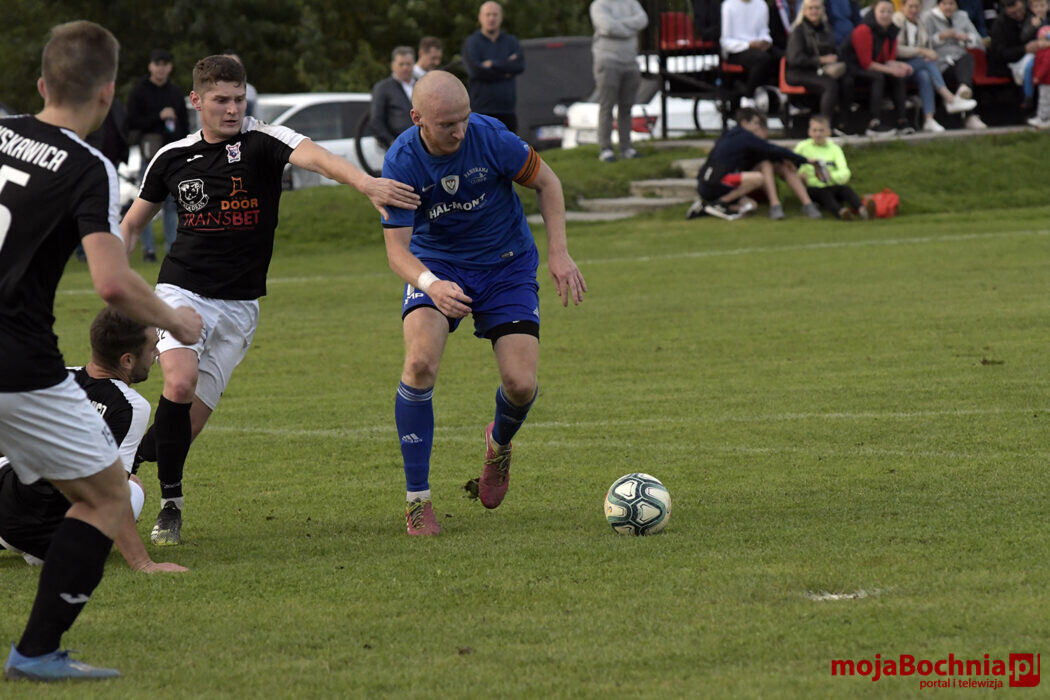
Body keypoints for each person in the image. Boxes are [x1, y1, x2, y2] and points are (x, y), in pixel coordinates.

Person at [122, 55, 419, 547]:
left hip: (240, 307)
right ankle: (170, 505)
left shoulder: (263, 140)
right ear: (196, 100)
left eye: (239, 99)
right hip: (181, 290)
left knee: (183, 428)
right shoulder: (173, 156)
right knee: (179, 381)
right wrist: (116, 276)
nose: (232, 109)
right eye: (221, 100)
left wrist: (366, 184)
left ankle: (125, 460)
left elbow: (317, 157)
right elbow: (133, 224)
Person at [0, 21, 202, 682]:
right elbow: (112, 282)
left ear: (42, 84)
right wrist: (175, 320)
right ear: (110, 92)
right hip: (17, 359)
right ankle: (36, 653)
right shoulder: (87, 166)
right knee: (109, 496)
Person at [379, 71, 587, 535]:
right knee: (419, 364)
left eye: (464, 119)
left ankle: (500, 443)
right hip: (437, 266)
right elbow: (397, 252)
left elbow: (548, 183)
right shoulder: (402, 162)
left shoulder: (491, 137)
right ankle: (417, 501)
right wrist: (432, 284)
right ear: (417, 119)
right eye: (446, 124)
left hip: (506, 264)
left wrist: (558, 252)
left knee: (520, 384)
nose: (459, 132)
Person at [0, 307, 186, 575]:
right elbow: (110, 491)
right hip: (47, 540)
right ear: (127, 361)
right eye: (152, 348)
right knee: (132, 485)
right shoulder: (130, 406)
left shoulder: (57, 377)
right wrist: (144, 564)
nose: (156, 353)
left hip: (7, 508)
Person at [685, 107, 825, 221]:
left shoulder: (731, 135)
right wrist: (805, 160)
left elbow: (767, 151)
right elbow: (772, 148)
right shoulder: (744, 136)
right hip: (717, 182)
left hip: (708, 183)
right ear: (745, 123)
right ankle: (719, 204)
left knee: (751, 206)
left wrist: (784, 159)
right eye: (756, 123)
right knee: (758, 178)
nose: (758, 127)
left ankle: (706, 209)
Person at [127, 48, 188, 262]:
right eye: (157, 64)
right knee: (146, 202)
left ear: (170, 67)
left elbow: (184, 124)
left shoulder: (175, 92)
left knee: (172, 202)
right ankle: (149, 250)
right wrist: (158, 117)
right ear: (150, 66)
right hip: (149, 154)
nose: (161, 68)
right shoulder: (139, 90)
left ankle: (172, 247)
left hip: (173, 155)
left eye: (165, 64)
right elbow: (132, 122)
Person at [895, 0, 979, 131]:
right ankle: (950, 99)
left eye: (917, 7)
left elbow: (926, 44)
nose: (914, 10)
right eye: (910, 6)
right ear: (903, 7)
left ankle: (929, 119)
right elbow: (897, 50)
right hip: (899, 63)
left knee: (925, 76)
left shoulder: (920, 22)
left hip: (916, 65)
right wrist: (923, 51)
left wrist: (929, 52)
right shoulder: (898, 21)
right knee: (927, 62)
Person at [840, 0, 916, 136]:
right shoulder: (863, 29)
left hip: (874, 67)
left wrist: (901, 66)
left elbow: (888, 60)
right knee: (879, 77)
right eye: (882, 11)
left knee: (897, 77)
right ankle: (874, 123)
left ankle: (902, 121)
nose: (885, 15)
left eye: (889, 12)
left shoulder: (891, 30)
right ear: (874, 12)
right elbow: (866, 63)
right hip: (852, 68)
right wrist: (892, 70)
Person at [589, 0, 649, 163]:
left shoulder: (631, 2)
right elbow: (608, 26)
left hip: (630, 60)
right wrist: (630, 27)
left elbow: (643, 20)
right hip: (608, 61)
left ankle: (626, 148)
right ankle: (606, 149)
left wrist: (619, 24)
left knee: (627, 107)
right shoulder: (599, 5)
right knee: (607, 106)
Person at [785, 0, 854, 130]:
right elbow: (795, 59)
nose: (814, 11)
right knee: (829, 85)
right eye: (810, 8)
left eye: (817, 8)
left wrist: (836, 57)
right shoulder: (798, 31)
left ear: (822, 10)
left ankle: (844, 123)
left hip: (822, 70)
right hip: (799, 72)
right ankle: (824, 126)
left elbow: (832, 49)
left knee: (847, 80)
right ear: (804, 11)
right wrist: (820, 60)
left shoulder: (826, 28)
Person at [792, 115, 874, 219]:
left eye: (821, 130)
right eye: (815, 130)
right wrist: (800, 175)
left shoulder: (835, 149)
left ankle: (863, 210)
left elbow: (845, 172)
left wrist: (831, 176)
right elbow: (791, 163)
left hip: (832, 184)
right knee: (824, 193)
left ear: (829, 132)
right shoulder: (802, 147)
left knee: (846, 190)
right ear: (809, 132)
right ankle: (841, 213)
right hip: (813, 188)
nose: (818, 134)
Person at [923, 0, 989, 128]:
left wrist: (966, 37)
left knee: (967, 59)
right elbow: (923, 43)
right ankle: (969, 116)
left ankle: (963, 91)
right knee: (965, 74)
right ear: (938, 4)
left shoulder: (962, 16)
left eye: (951, 4)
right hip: (939, 66)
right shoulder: (929, 17)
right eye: (944, 4)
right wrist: (940, 37)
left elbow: (979, 42)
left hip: (960, 63)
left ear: (957, 5)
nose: (948, 7)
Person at [462, 1, 525, 133]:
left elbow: (519, 66)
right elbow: (475, 71)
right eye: (488, 15)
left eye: (495, 15)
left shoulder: (511, 41)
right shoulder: (472, 42)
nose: (491, 18)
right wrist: (506, 69)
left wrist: (492, 64)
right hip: (481, 112)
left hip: (507, 112)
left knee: (509, 146)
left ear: (501, 18)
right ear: (480, 18)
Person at [720, 0, 783, 108]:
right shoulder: (728, 5)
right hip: (736, 50)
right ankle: (748, 97)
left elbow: (764, 31)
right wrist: (748, 44)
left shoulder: (761, 4)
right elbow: (726, 41)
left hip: (758, 48)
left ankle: (784, 97)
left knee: (782, 56)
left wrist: (765, 41)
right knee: (762, 58)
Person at [988, 0, 1050, 111]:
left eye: (1021, 10)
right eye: (1013, 13)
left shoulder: (1033, 16)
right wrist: (1024, 49)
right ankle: (1030, 102)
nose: (1018, 14)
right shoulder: (999, 24)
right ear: (1005, 10)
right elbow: (1000, 55)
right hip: (1011, 63)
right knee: (1033, 68)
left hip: (1039, 55)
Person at [370, 46, 417, 150]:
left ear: (414, 64)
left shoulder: (421, 85)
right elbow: (376, 121)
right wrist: (392, 142)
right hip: (398, 147)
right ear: (393, 66)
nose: (405, 68)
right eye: (401, 64)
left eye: (408, 64)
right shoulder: (383, 88)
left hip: (422, 145)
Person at [221, 50, 258, 117]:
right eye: (226, 64)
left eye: (235, 64)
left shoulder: (250, 90)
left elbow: (257, 117)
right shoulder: (211, 89)